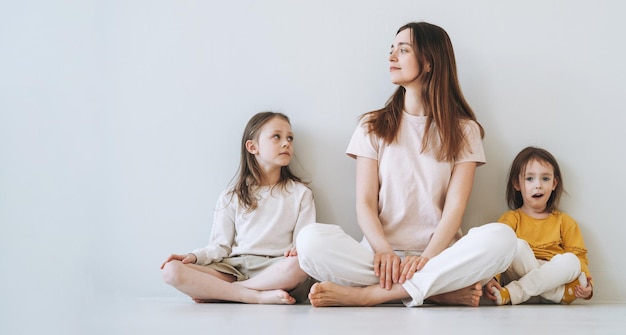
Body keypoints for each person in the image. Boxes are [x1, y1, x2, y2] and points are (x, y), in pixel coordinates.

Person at [296, 21, 517, 307]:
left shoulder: (465, 131)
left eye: (403, 50)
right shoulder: (371, 125)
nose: (391, 57)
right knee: (310, 241)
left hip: (438, 255)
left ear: (429, 62)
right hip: (378, 258)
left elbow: (455, 209)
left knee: (503, 239)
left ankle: (372, 295)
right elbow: (364, 203)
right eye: (392, 49)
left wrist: (426, 259)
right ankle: (435, 291)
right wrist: (384, 252)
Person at [161, 111, 316, 304]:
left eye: (290, 138)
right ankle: (254, 296)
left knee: (300, 265)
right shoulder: (231, 195)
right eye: (277, 136)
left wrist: (298, 250)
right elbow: (219, 246)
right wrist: (195, 257)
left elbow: (304, 243)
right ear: (252, 147)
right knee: (171, 270)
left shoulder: (301, 193)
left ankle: (224, 292)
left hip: (275, 269)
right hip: (234, 268)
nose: (286, 143)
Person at [485, 146, 593, 305]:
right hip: (525, 274)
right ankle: (559, 294)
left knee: (572, 260)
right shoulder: (511, 218)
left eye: (545, 179)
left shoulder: (565, 221)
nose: (538, 185)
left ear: (554, 183)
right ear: (517, 183)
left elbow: (579, 257)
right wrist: (493, 278)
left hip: (555, 275)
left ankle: (514, 293)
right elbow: (498, 253)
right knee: (516, 246)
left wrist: (589, 286)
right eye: (529, 179)